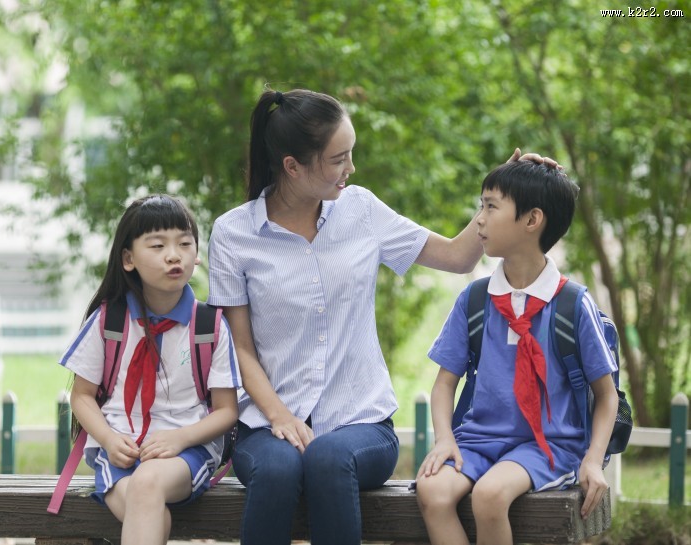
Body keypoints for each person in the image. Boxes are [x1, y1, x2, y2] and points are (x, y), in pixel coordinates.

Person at [206, 87, 557, 545]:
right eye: (339, 159)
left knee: (328, 458)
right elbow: (240, 348)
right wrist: (280, 417)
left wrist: (505, 191)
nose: (351, 168)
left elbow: (457, 257)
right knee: (277, 468)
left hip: (361, 424)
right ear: (292, 166)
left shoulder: (361, 210)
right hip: (266, 425)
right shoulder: (233, 233)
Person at [414, 160, 618, 545]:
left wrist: (593, 460)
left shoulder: (572, 304)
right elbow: (444, 384)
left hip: (548, 446)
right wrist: (445, 440)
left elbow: (607, 396)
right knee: (432, 491)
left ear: (532, 220)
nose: (479, 219)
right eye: (481, 205)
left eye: (491, 206)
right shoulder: (476, 300)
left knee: (489, 496)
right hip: (478, 440)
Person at [60, 195, 241, 545]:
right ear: (128, 259)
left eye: (184, 244)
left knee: (146, 485)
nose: (173, 255)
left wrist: (180, 438)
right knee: (151, 511)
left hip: (187, 452)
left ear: (197, 254)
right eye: (158, 246)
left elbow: (227, 411)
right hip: (118, 451)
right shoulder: (109, 321)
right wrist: (109, 440)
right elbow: (81, 396)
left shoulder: (208, 326)